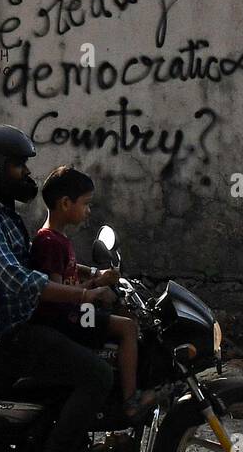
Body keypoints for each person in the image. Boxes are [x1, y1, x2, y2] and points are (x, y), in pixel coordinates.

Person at [0, 124, 114, 452]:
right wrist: (83, 296)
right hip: (7, 337)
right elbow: (19, 279)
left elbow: (32, 265)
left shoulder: (3, 211)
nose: (27, 174)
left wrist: (93, 276)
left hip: (25, 324)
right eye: (18, 167)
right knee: (98, 374)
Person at [31, 166, 157, 425]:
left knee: (124, 314)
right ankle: (130, 400)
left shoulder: (57, 239)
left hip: (72, 316)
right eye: (86, 204)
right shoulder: (49, 242)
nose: (89, 211)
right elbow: (56, 293)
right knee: (128, 328)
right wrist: (95, 288)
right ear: (66, 203)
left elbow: (69, 271)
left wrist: (96, 274)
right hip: (64, 321)